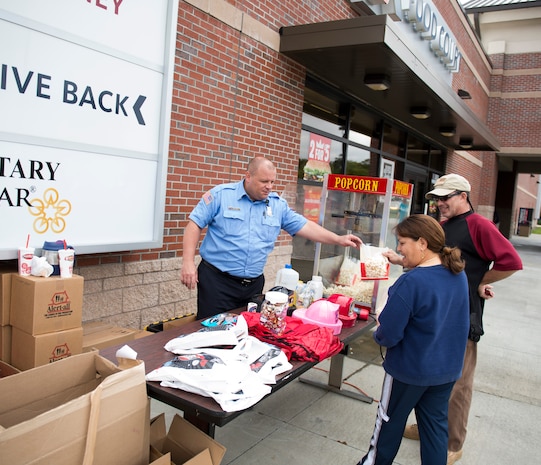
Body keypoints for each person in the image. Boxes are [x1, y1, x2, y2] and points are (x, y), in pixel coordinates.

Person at [385, 174, 523, 465]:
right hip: (434, 312)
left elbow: (511, 261)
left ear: (464, 196)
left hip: (462, 314)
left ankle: (453, 442)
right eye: (436, 198)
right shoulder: (442, 227)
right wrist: (401, 259)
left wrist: (478, 281)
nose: (439, 204)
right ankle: (429, 429)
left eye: (446, 198)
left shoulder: (479, 225)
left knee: (457, 383)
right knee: (432, 377)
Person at [181, 156, 362, 319]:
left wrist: (338, 239)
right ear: (248, 176)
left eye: (272, 181)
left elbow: (305, 226)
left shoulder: (277, 206)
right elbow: (194, 224)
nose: (269, 186)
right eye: (264, 181)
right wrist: (188, 262)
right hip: (217, 282)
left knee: (244, 333)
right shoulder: (221, 195)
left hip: (252, 285)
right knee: (211, 333)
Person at [357, 214, 469, 465]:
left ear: (422, 242)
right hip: (446, 371)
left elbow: (388, 335)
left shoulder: (411, 282)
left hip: (408, 371)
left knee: (388, 423)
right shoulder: (457, 274)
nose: (398, 248)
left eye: (402, 242)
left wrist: (380, 327)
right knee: (434, 430)